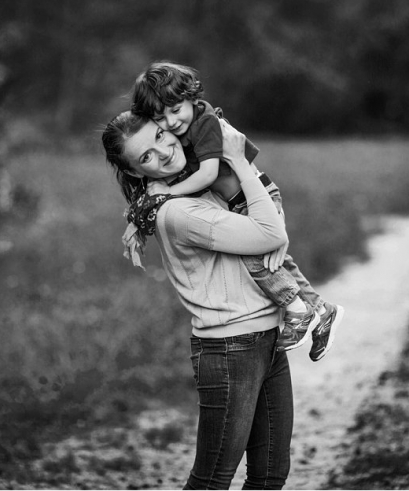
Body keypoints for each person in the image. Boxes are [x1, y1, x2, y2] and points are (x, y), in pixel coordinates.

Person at [103, 111, 299, 488]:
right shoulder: (179, 211)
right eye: (145, 156)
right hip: (231, 350)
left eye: (161, 135)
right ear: (134, 172)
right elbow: (271, 233)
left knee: (271, 473)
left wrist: (139, 214)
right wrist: (239, 161)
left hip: (268, 338)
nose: (163, 151)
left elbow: (265, 218)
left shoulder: (191, 185)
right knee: (212, 480)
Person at [126, 61, 343, 360]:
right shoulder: (187, 129)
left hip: (253, 195)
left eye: (176, 110)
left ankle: (299, 311)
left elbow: (206, 174)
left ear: (191, 97)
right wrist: (138, 219)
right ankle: (322, 310)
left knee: (256, 259)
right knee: (279, 262)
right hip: (244, 197)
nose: (172, 122)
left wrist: (167, 193)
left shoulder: (205, 125)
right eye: (161, 118)